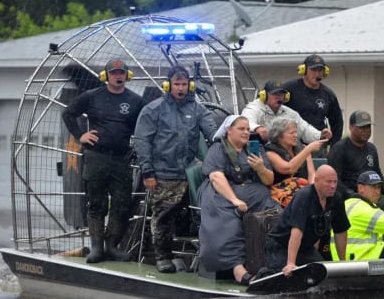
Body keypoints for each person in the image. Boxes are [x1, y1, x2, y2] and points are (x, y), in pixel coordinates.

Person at [133, 65, 218, 273]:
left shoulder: (198, 109)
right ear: (168, 85)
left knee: (185, 216)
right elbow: (142, 141)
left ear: (189, 85)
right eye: (176, 84)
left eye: (183, 84)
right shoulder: (153, 109)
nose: (180, 88)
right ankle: (161, 256)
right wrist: (148, 172)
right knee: (162, 216)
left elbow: (212, 132)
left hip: (188, 174)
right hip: (162, 173)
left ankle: (180, 254)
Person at [61, 59, 144, 263]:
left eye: (121, 73)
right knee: (96, 204)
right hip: (97, 157)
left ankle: (112, 246)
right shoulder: (91, 96)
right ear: (106, 76)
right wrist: (81, 135)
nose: (118, 76)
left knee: (122, 204)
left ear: (127, 76)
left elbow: (145, 124)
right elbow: (68, 114)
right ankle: (96, 247)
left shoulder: (135, 100)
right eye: (114, 72)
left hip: (121, 160)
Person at [198, 115, 280, 285]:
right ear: (229, 130)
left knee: (276, 213)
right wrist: (234, 200)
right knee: (227, 217)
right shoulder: (218, 148)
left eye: (247, 129)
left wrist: (260, 168)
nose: (245, 132)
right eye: (241, 129)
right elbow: (216, 177)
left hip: (251, 192)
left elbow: (269, 180)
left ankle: (275, 264)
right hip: (220, 192)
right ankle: (239, 271)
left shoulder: (255, 149)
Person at [265, 165, 350, 276]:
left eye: (335, 182)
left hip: (306, 248)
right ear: (316, 180)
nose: (333, 186)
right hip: (281, 246)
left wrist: (343, 262)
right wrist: (291, 262)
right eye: (328, 182)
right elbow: (297, 230)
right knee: (287, 275)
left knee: (322, 274)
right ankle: (262, 275)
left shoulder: (336, 199)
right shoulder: (304, 196)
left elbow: (341, 231)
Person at [327, 110, 384, 219]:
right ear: (351, 127)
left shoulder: (371, 148)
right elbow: (334, 180)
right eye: (361, 127)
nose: (366, 131)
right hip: (351, 199)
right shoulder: (340, 148)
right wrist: (355, 196)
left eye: (368, 127)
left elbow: (378, 177)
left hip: (373, 196)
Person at [330, 170, 384, 260]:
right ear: (361, 188)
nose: (377, 192)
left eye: (379, 187)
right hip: (359, 262)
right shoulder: (363, 210)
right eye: (373, 187)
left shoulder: (349, 202)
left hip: (343, 259)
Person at [282, 54, 340, 156]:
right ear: (303, 70)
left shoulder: (328, 94)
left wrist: (334, 147)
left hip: (318, 146)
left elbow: (337, 122)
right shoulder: (289, 89)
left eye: (320, 70)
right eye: (313, 70)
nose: (317, 74)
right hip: (293, 145)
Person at [265, 118, 328, 207]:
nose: (295, 136)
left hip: (304, 189)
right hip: (283, 194)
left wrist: (314, 190)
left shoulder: (302, 148)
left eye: (296, 132)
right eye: (291, 133)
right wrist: (308, 149)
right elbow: (288, 168)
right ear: (279, 136)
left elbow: (311, 174)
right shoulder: (270, 152)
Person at [241, 80, 321, 143]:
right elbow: (244, 122)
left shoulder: (290, 113)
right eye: (275, 94)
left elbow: (304, 129)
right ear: (264, 96)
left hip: (281, 152)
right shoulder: (253, 108)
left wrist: (320, 135)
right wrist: (257, 128)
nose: (279, 97)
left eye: (281, 94)